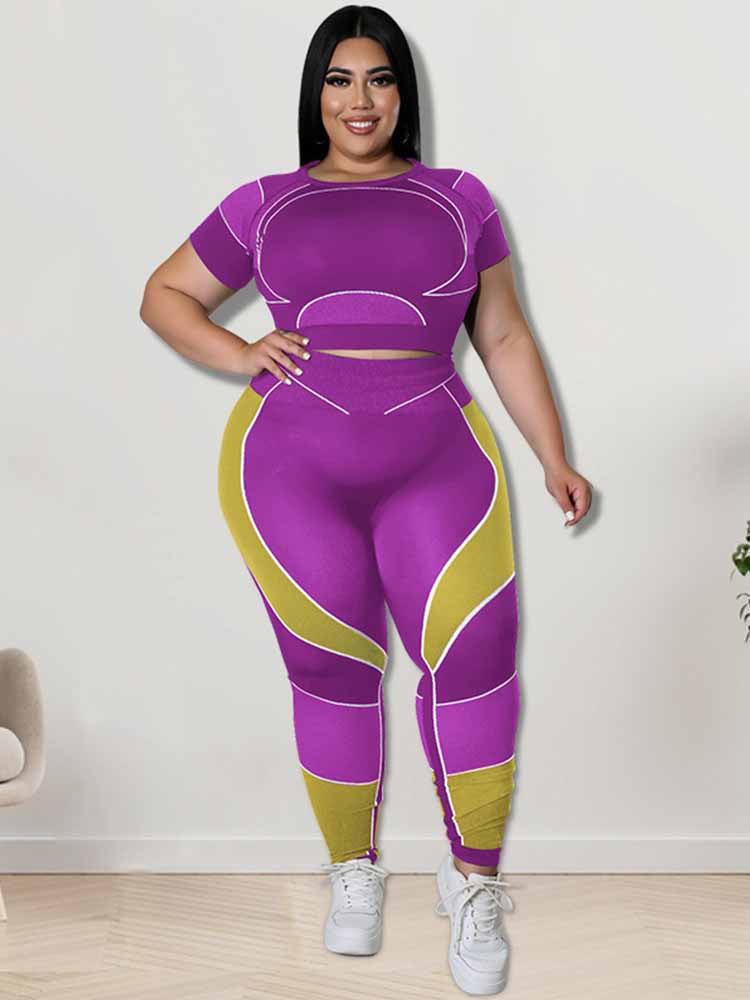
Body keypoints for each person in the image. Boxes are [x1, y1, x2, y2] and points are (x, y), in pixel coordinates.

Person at [140, 5, 592, 995]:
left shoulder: (460, 199)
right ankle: (354, 869)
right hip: (288, 469)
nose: (360, 100)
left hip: (440, 460)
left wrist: (553, 454)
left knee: (477, 656)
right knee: (331, 668)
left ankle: (475, 881)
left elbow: (503, 335)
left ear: (402, 92)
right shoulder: (263, 204)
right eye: (339, 80)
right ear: (315, 95)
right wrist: (241, 351)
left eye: (379, 79)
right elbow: (164, 295)